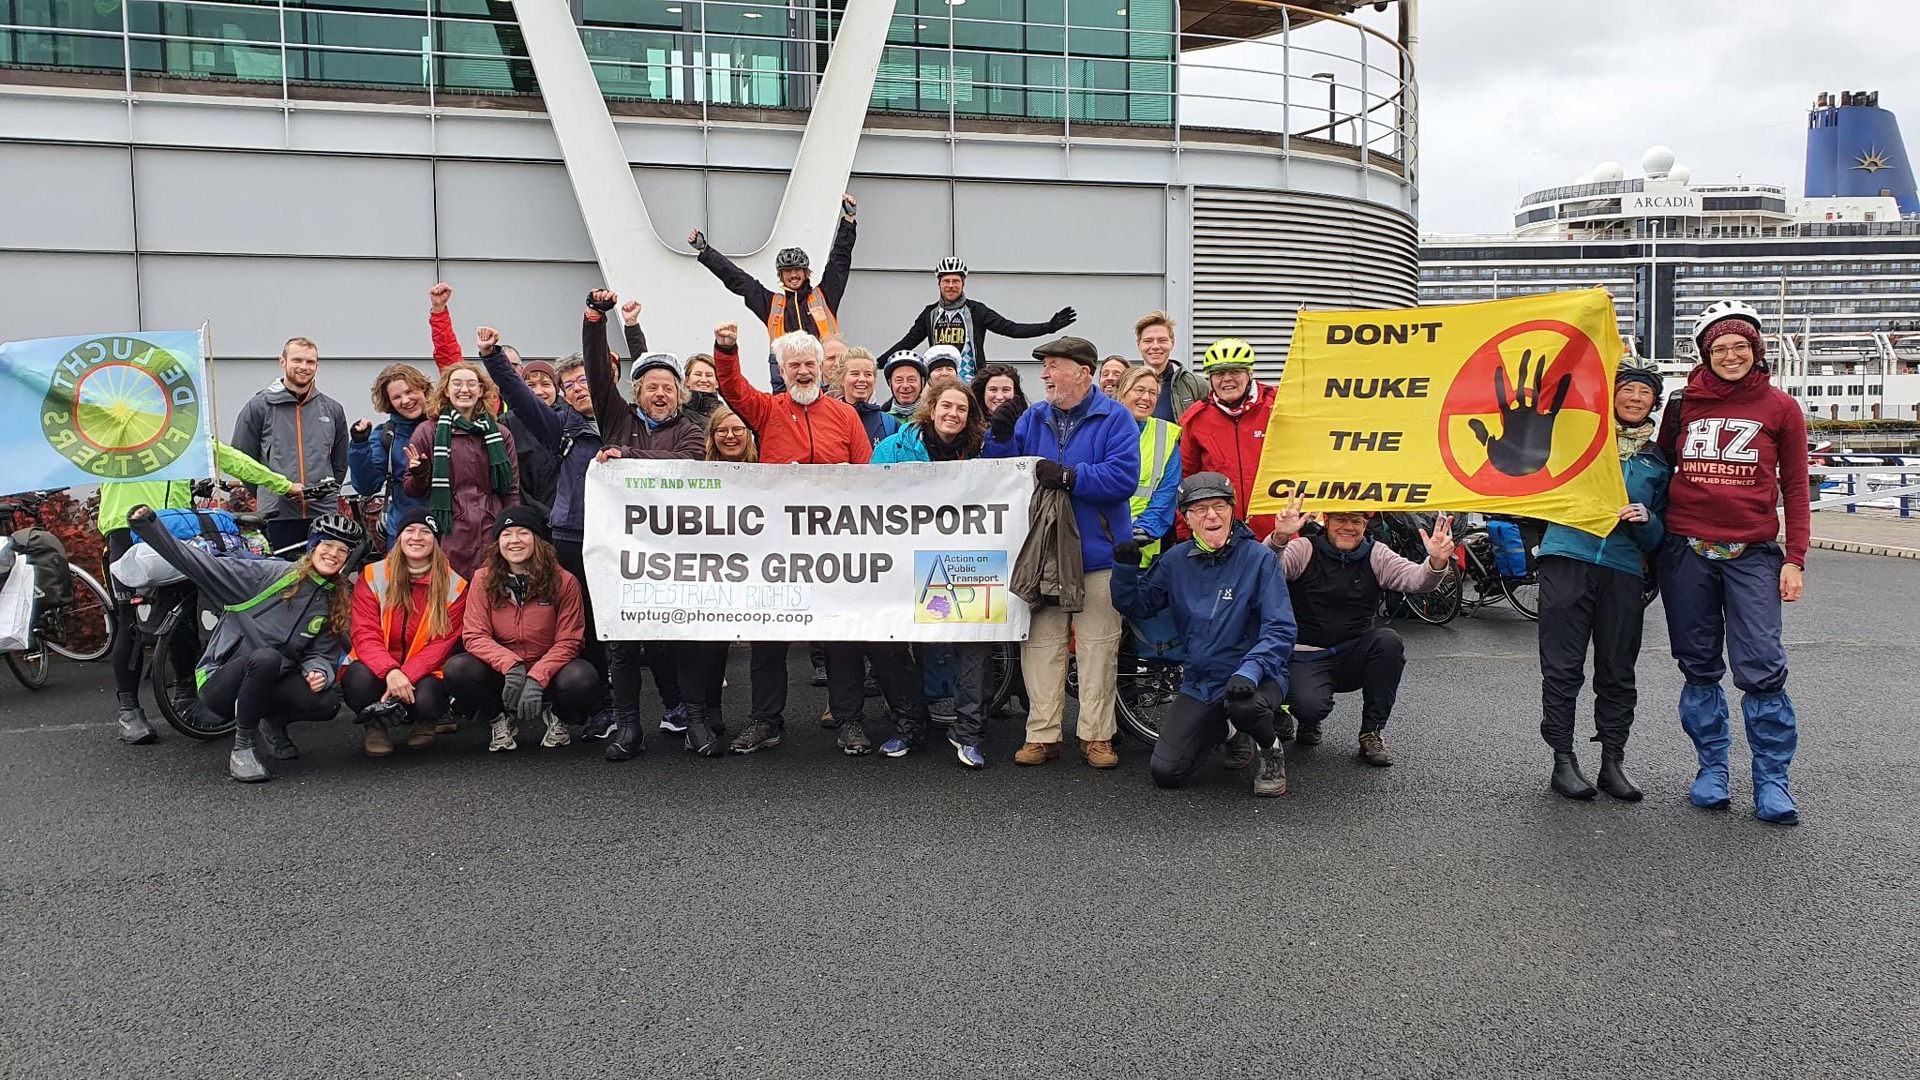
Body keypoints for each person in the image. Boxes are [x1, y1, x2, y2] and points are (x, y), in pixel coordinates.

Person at [1655, 300, 1811, 825]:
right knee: (1697, 663)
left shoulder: (1780, 408)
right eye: (1719, 348)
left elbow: (1795, 487)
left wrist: (1796, 558)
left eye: (1740, 346)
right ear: (1704, 352)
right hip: (1685, 550)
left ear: (1756, 350)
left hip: (1753, 554)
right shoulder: (1682, 404)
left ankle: (1772, 779)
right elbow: (1657, 472)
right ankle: (1712, 769)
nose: (1730, 355)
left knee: (1762, 665)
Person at [711, 322, 873, 753]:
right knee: (768, 639)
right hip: (778, 548)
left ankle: (849, 720)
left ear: (823, 369)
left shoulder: (846, 416)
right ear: (781, 371)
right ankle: (765, 721)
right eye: (793, 364)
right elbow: (732, 388)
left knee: (842, 639)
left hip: (835, 547)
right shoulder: (766, 410)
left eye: (809, 363)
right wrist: (726, 348)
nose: (802, 371)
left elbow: (870, 479)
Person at [983, 335, 1140, 769]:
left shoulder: (1117, 419)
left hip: (1098, 556)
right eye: (1045, 367)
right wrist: (998, 435)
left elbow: (1123, 478)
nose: (1046, 375)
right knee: (1042, 646)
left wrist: (1070, 476)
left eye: (1053, 366)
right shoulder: (1032, 418)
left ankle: (1097, 735)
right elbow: (1002, 472)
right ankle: (1042, 734)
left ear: (1083, 373)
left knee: (1098, 647)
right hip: (1044, 556)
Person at [581, 289, 720, 760]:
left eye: (667, 386)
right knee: (621, 644)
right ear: (636, 391)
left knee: (682, 640)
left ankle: (696, 721)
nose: (659, 393)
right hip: (621, 552)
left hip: (677, 555)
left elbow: (682, 466)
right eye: (650, 386)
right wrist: (596, 320)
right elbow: (598, 373)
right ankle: (628, 728)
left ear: (679, 393)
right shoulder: (616, 417)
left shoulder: (692, 428)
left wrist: (626, 456)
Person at [125, 505, 361, 782]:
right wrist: (148, 527)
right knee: (266, 658)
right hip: (221, 680)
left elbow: (322, 651)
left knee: (327, 702)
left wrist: (319, 670)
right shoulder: (266, 575)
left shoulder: (335, 598)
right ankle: (243, 748)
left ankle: (272, 721)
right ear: (312, 546)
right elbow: (197, 563)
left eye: (342, 550)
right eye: (327, 545)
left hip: (272, 678)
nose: (333, 554)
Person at [1536, 363, 1673, 801]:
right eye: (1627, 390)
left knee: (1617, 670)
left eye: (1645, 393)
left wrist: (1647, 520)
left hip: (1623, 567)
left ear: (1655, 402)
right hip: (1568, 558)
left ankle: (1612, 760)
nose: (1635, 398)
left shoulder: (1655, 460)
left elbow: (1659, 534)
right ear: (1611, 396)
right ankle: (1562, 759)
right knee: (1562, 667)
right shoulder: (1580, 440)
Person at [97, 447, 297, 744]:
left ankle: (186, 697)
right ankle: (129, 711)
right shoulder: (117, 424)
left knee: (183, 615)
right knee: (131, 623)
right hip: (125, 525)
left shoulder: (180, 425)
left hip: (173, 525)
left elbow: (223, 454)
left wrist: (283, 484)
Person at [1112, 473, 1295, 796]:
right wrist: (1125, 570)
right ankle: (1229, 731)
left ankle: (1270, 750)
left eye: (1219, 506)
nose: (1211, 515)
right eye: (1200, 509)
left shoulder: (1259, 558)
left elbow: (1280, 628)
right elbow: (1137, 606)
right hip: (1200, 681)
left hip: (1256, 678)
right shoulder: (1175, 560)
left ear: (1232, 511)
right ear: (1187, 519)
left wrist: (1250, 670)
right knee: (1166, 772)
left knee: (1245, 706)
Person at [1265, 499, 1454, 767]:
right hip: (1308, 654)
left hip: (1353, 654)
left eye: (1356, 520)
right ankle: (1308, 719)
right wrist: (1280, 537)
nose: (1349, 527)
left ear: (1366, 525)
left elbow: (1416, 580)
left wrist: (1435, 561)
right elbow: (1267, 571)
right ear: (1326, 521)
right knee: (1310, 706)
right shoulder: (1304, 548)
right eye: (1341, 519)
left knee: (1388, 642)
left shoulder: (1377, 554)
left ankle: (1371, 732)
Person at [869, 382, 986, 765]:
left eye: (962, 409)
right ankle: (909, 726)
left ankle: (967, 732)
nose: (953, 414)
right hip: (901, 561)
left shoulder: (982, 454)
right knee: (887, 641)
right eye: (946, 405)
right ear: (931, 408)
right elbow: (868, 498)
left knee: (973, 642)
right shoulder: (891, 449)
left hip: (964, 560)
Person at [444, 506, 601, 753]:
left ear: (537, 540)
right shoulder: (482, 579)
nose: (514, 541)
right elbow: (474, 636)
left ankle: (557, 716)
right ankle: (498, 719)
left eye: (523, 533)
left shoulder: (564, 581)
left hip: (549, 668)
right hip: (503, 671)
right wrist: (511, 666)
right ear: (498, 543)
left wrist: (537, 677)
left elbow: (570, 640)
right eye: (506, 534)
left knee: (583, 677)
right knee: (457, 669)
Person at [690, 194, 857, 386]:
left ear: (806, 273)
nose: (793, 275)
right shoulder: (770, 303)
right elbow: (737, 278)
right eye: (787, 271)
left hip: (825, 377)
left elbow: (839, 262)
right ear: (781, 276)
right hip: (784, 380)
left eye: (797, 270)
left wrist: (848, 221)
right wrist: (705, 251)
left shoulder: (824, 295)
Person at [429, 284, 568, 513]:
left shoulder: (557, 414)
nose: (506, 370)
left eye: (512, 366)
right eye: (501, 363)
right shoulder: (479, 402)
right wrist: (439, 312)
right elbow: (449, 359)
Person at [341, 506, 468, 756]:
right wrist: (390, 671)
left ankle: (425, 723)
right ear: (399, 538)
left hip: (424, 672)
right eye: (410, 530)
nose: (417, 537)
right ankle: (375, 726)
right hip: (378, 667)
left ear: (436, 541)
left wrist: (404, 676)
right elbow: (364, 633)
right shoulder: (372, 575)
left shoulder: (455, 585)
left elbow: (441, 645)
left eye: (425, 532)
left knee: (429, 699)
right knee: (356, 678)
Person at [231, 335, 350, 554]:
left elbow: (340, 462)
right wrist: (269, 491)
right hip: (277, 515)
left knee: (322, 581)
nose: (304, 367)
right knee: (282, 578)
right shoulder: (259, 406)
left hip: (322, 514)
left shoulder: (332, 410)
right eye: (297, 360)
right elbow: (242, 460)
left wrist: (324, 493)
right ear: (283, 361)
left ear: (317, 365)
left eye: (310, 362)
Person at [401, 361, 520, 577]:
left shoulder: (500, 434)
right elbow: (412, 491)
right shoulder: (428, 432)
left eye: (471, 384)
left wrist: (511, 530)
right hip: (447, 532)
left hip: (490, 532)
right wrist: (420, 474)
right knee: (449, 601)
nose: (464, 390)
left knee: (489, 600)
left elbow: (511, 491)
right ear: (446, 390)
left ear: (481, 390)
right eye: (456, 383)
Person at [883, 257, 1075, 382]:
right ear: (939, 284)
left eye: (956, 281)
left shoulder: (976, 311)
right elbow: (907, 343)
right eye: (946, 281)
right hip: (939, 381)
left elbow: (1011, 329)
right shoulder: (930, 314)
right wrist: (875, 363)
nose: (951, 285)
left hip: (972, 381)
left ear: (963, 283)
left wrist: (1049, 327)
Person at [1178, 338, 1276, 539]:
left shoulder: (1278, 406)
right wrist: (1184, 532)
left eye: (1235, 372)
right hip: (1220, 532)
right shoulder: (1196, 418)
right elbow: (1187, 479)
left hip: (1277, 529)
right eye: (1219, 374)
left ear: (1250, 374)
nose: (1227, 379)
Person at [349, 363, 435, 546]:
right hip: (404, 531)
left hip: (450, 530)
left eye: (410, 391)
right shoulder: (386, 435)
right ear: (389, 402)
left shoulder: (445, 426)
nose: (405, 400)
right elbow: (367, 487)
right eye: (397, 397)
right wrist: (359, 445)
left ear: (424, 389)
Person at [1116, 366, 1181, 562]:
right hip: (1098, 545)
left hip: (1143, 549)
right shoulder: (1098, 428)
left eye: (1152, 393)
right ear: (1121, 393)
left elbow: (1168, 491)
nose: (1146, 398)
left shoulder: (1166, 434)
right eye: (1139, 390)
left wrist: (1144, 530)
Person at [1136, 311, 1208, 423]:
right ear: (1139, 344)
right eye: (1148, 341)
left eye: (1162, 340)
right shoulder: (1125, 386)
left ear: (1172, 343)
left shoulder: (1197, 386)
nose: (1155, 346)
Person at [840, 349, 898, 447]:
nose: (862, 379)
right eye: (855, 374)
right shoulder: (829, 419)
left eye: (868, 374)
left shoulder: (889, 424)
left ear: (874, 380)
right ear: (842, 379)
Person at [883, 350, 927, 425]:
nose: (905, 386)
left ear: (922, 382)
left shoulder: (934, 419)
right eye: (899, 380)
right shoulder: (881, 421)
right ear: (890, 384)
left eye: (911, 380)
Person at [684, 353, 722, 428]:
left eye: (709, 375)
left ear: (717, 382)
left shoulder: (724, 416)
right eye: (698, 374)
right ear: (687, 381)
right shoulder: (675, 414)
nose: (703, 380)